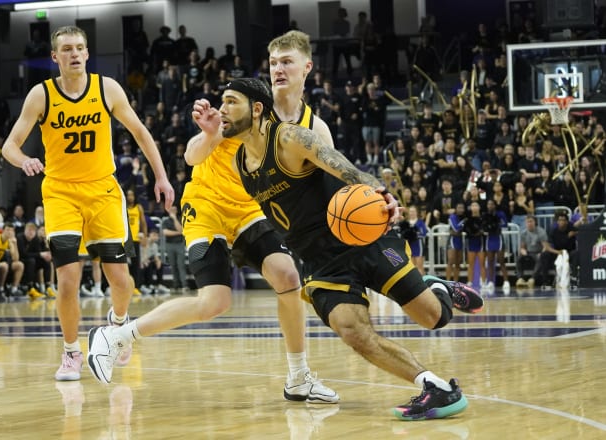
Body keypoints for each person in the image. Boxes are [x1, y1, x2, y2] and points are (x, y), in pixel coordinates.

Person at [180, 78, 481, 420]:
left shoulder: (290, 138)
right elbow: (193, 157)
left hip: (360, 240)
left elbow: (344, 166)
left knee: (434, 318)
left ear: (258, 108)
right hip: (321, 263)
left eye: (231, 102)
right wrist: (207, 134)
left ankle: (438, 288)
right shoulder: (239, 163)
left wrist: (382, 193)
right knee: (352, 330)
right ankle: (434, 386)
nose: (223, 110)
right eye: (222, 103)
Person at [87, 30, 339, 404]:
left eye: (286, 62)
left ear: (307, 68)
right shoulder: (246, 104)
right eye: (273, 63)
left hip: (248, 209)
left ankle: (299, 377)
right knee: (214, 301)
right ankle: (117, 335)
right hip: (206, 204)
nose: (278, 69)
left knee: (288, 276)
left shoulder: (313, 126)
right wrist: (208, 135)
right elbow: (191, 156)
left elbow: (328, 185)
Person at [0, 25, 174, 381]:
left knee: (122, 281)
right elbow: (9, 146)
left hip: (103, 191)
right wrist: (24, 161)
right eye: (67, 49)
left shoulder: (106, 88)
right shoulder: (41, 95)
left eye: (80, 47)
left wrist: (161, 176)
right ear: (55, 56)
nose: (75, 53)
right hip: (61, 192)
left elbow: (140, 131)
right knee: (67, 280)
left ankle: (118, 330)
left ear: (87, 53)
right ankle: (71, 353)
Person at [515, 215, 547, 289]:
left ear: (535, 222)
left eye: (531, 221)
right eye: (528, 222)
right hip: (528, 252)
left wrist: (541, 253)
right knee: (519, 258)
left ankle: (532, 279)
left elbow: (545, 247)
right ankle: (520, 279)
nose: (529, 223)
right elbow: (522, 247)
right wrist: (523, 251)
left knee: (540, 258)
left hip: (538, 251)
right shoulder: (523, 233)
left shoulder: (541, 232)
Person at [162, 205, 188, 293]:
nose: (173, 210)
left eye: (174, 209)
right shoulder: (165, 221)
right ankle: (176, 285)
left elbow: (181, 229)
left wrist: (174, 219)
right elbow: (166, 232)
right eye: (171, 209)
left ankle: (184, 285)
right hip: (169, 245)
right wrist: (178, 233)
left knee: (181, 265)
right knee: (173, 265)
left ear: (177, 210)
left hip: (179, 244)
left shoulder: (180, 219)